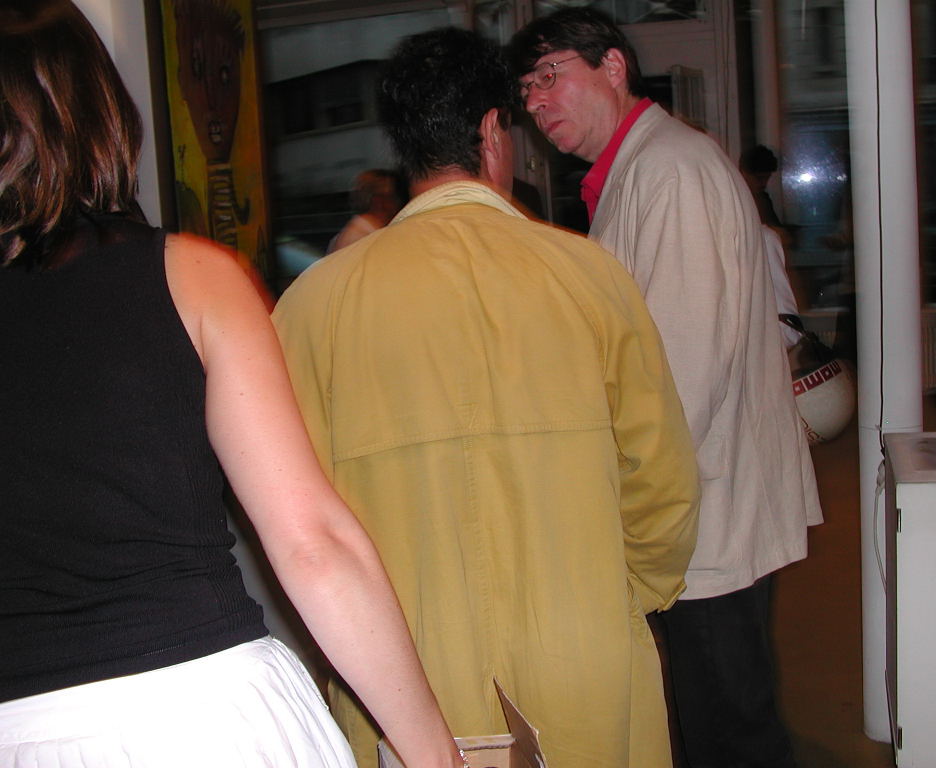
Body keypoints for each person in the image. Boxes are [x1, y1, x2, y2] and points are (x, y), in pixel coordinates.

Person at [0, 4, 464, 768]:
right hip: (204, 713)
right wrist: (436, 756)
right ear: (99, 111)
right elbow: (312, 544)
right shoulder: (190, 277)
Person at [273, 26, 701, 768]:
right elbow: (662, 483)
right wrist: (625, 591)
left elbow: (295, 521)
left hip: (402, 670)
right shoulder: (591, 277)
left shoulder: (313, 306)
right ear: (493, 130)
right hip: (581, 645)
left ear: (404, 145)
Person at [510, 10, 823, 768]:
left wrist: (634, 505)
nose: (536, 101)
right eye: (525, 90)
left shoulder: (669, 170)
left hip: (702, 508)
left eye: (549, 74)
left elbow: (684, 372)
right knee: (722, 709)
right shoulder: (641, 168)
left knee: (730, 726)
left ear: (613, 67)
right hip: (697, 501)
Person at [326, 169, 402, 253]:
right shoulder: (360, 237)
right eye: (392, 197)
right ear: (378, 200)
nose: (397, 203)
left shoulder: (371, 232)